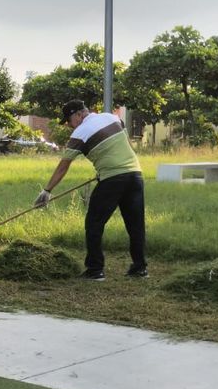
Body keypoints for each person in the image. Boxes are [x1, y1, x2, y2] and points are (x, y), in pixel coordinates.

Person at [34, 100, 147, 281]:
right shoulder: (112, 117)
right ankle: (140, 268)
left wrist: (47, 190)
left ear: (78, 114)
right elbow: (122, 144)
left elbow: (63, 166)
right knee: (135, 225)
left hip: (112, 179)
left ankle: (95, 270)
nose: (70, 126)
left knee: (94, 224)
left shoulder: (80, 133)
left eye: (69, 121)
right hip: (135, 175)